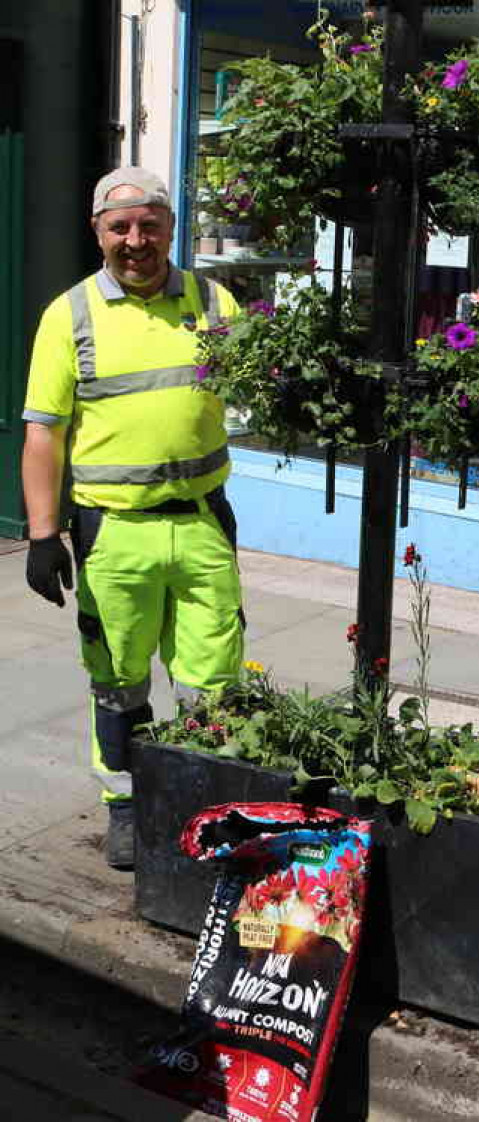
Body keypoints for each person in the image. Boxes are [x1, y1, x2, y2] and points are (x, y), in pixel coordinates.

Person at [21, 167, 245, 870]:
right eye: (120, 227)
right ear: (98, 232)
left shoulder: (215, 302)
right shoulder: (71, 315)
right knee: (118, 682)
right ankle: (124, 806)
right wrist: (41, 534)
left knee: (215, 683)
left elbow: (260, 385)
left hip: (203, 523)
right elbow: (43, 435)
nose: (136, 240)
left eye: (150, 224)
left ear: (171, 228)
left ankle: (209, 803)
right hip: (112, 532)